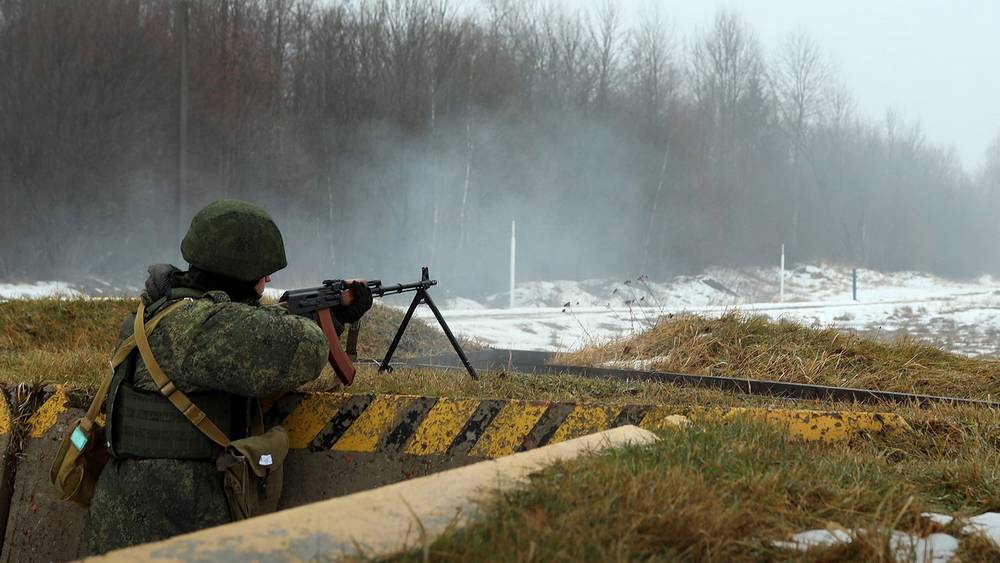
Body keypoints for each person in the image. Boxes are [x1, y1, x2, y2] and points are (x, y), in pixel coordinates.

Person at [86, 199, 372, 554]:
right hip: (180, 526)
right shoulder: (207, 328)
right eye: (262, 271)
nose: (268, 279)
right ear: (238, 270)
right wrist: (334, 317)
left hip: (121, 520)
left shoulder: (156, 314)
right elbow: (306, 349)